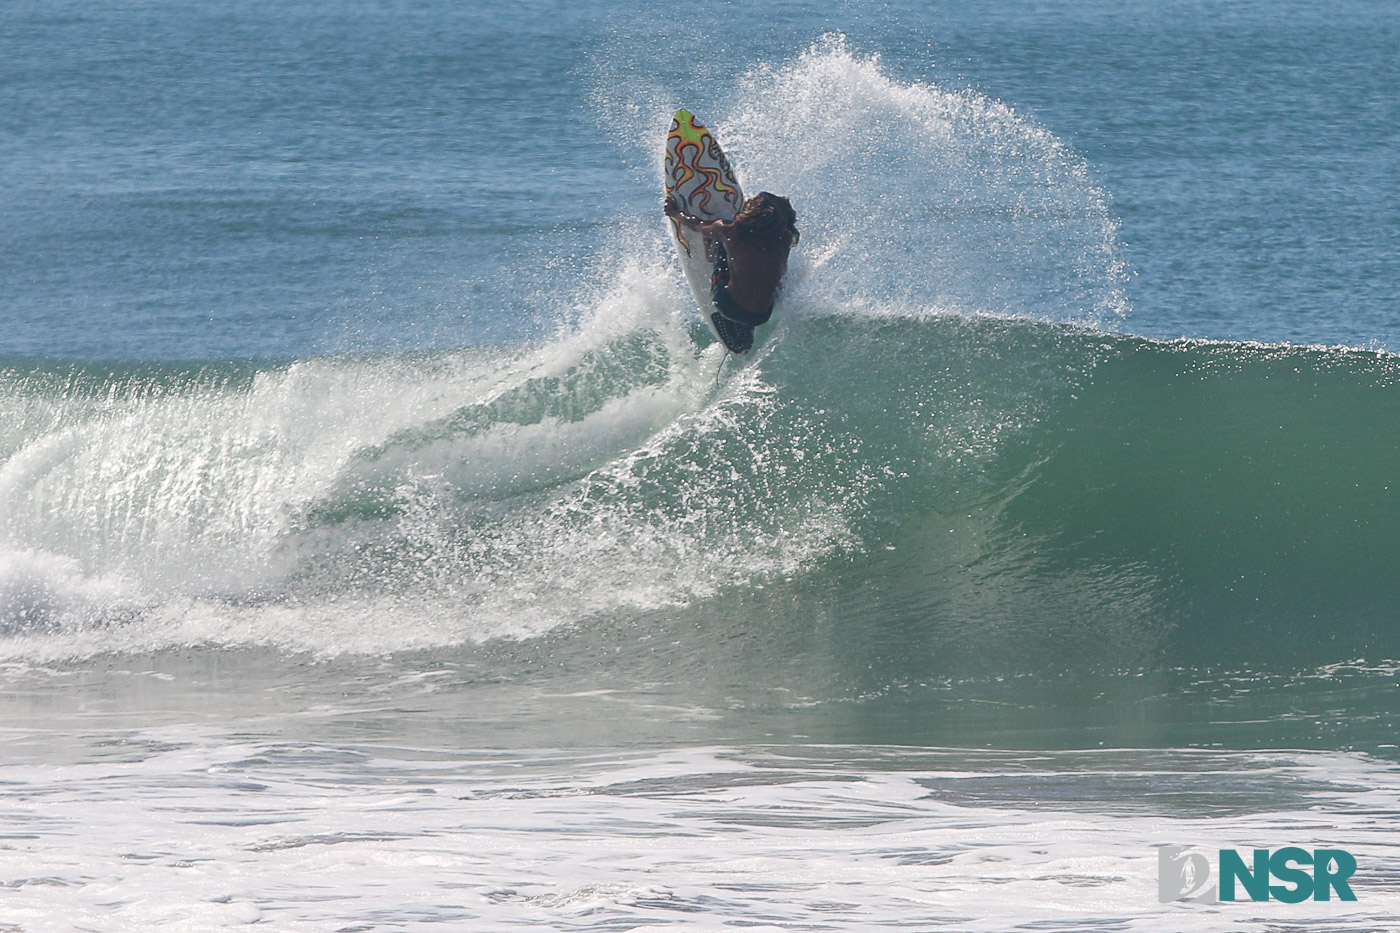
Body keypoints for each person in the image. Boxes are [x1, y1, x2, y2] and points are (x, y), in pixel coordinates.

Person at [664, 192, 799, 351]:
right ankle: (747, 325)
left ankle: (710, 255)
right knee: (776, 269)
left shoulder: (728, 230)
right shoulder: (786, 238)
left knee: (722, 242)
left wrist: (675, 213)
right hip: (762, 316)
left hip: (727, 306)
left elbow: (698, 225)